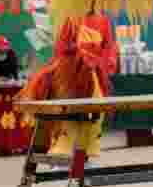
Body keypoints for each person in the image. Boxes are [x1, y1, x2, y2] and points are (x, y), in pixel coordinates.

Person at [16, 11, 119, 157]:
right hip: (70, 70)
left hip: (94, 69)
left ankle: (90, 143)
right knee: (68, 104)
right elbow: (62, 46)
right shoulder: (72, 17)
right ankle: (63, 142)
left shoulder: (104, 20)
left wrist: (103, 60)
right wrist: (80, 52)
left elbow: (108, 47)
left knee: (98, 104)